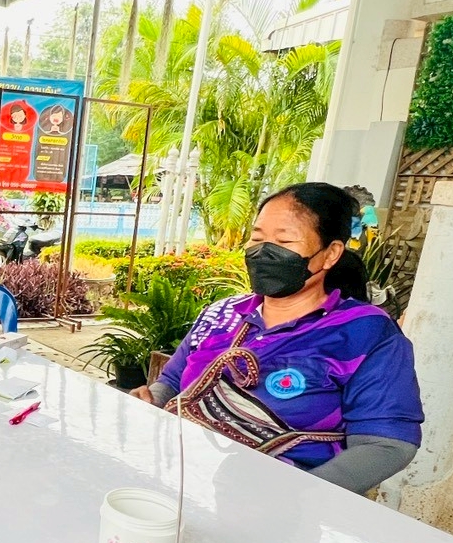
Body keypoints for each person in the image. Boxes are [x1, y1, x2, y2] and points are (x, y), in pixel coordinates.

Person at [132, 182, 424, 494]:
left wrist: (295, 497)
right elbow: (173, 383)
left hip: (287, 505)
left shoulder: (366, 332)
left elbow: (386, 445)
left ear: (330, 254)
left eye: (284, 241)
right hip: (183, 483)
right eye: (257, 239)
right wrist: (151, 399)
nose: (263, 252)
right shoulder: (221, 314)